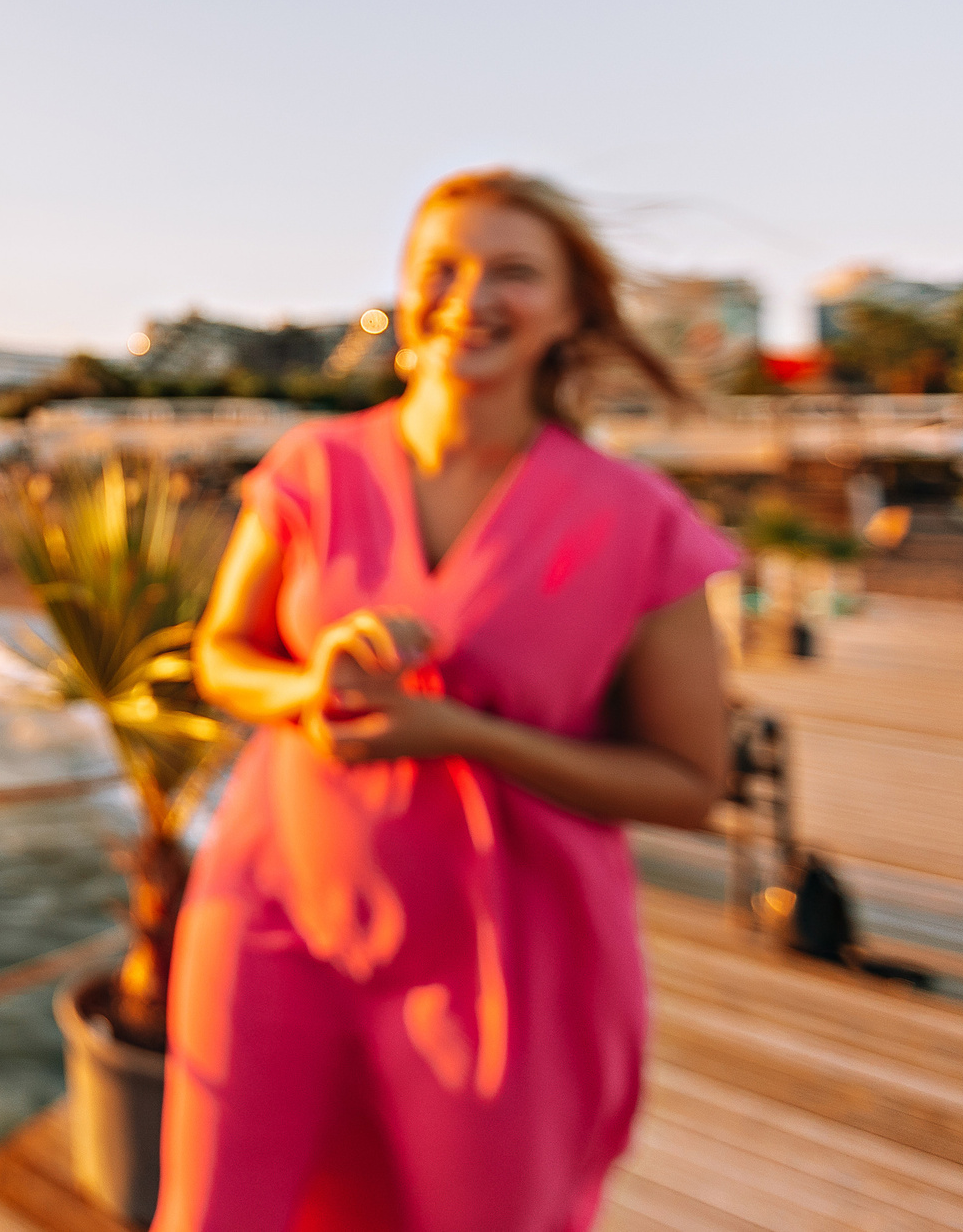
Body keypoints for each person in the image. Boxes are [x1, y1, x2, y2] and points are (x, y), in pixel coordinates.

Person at [160, 170, 735, 1232]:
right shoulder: (311, 466)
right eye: (443, 268)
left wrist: (461, 734)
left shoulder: (638, 521)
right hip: (274, 915)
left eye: (513, 271)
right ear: (404, 293)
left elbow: (690, 786)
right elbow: (221, 656)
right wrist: (307, 686)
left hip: (506, 966)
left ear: (569, 311)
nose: (470, 296)